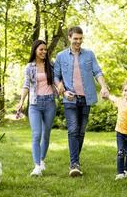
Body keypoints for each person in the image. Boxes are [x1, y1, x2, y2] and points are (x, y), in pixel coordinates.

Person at [54, 26, 109, 177]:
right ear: (69, 38)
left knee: (81, 132)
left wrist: (103, 86)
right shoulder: (61, 56)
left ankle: (74, 161)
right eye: (75, 39)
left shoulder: (89, 55)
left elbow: (97, 72)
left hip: (86, 98)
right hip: (70, 99)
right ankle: (74, 164)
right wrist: (62, 89)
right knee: (73, 130)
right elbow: (56, 77)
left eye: (80, 39)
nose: (78, 41)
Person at [16, 40, 58, 176]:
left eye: (45, 50)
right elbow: (26, 85)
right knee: (36, 135)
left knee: (46, 134)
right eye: (41, 49)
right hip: (35, 104)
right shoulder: (29, 67)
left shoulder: (51, 65)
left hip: (50, 103)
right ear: (35, 50)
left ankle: (41, 160)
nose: (44, 52)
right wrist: (21, 102)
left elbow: (57, 81)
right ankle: (37, 166)